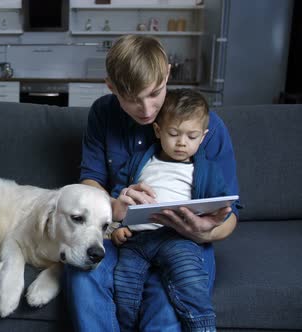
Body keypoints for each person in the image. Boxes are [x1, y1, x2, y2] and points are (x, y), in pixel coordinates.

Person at [64, 34, 239, 331]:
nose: (146, 109)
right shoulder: (103, 114)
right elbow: (90, 181)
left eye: (155, 93)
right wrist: (114, 206)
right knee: (81, 272)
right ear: (111, 87)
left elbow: (231, 215)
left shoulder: (204, 126)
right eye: (131, 98)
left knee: (168, 299)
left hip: (183, 243)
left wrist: (203, 233)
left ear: (168, 73)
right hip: (123, 237)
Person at [110, 88, 236, 331]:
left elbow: (222, 204)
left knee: (190, 281)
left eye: (191, 136)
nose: (181, 142)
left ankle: (203, 327)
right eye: (174, 133)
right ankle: (126, 327)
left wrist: (216, 217)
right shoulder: (140, 161)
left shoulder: (207, 170)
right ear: (158, 131)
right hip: (136, 241)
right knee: (123, 288)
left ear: (203, 137)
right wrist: (116, 227)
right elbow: (119, 197)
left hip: (177, 238)